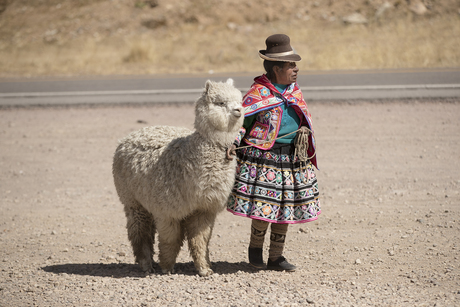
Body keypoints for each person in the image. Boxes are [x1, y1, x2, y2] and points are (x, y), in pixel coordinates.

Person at [226, 34, 320, 272]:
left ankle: (276, 257)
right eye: (291, 65)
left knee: (285, 209)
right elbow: (241, 123)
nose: (296, 69)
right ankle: (255, 251)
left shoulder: (293, 92)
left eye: (295, 65)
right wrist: (233, 144)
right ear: (277, 68)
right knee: (264, 207)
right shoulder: (257, 95)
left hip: (292, 158)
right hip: (264, 159)